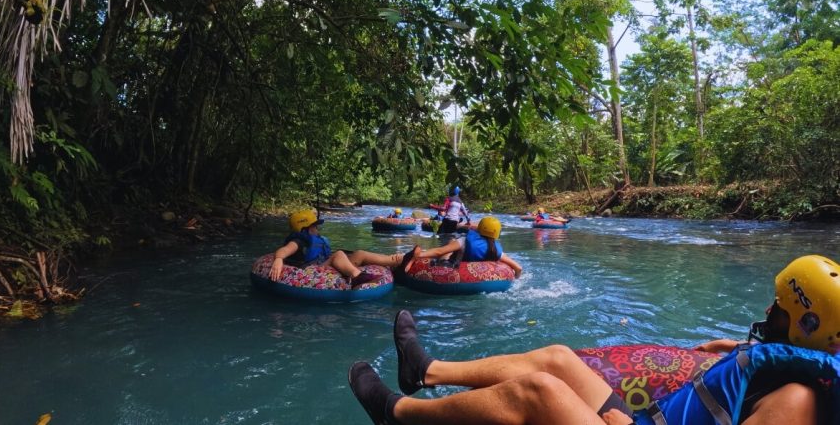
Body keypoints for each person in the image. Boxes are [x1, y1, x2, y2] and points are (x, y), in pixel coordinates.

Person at [349, 254, 840, 425]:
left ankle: (398, 414)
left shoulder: (797, 401)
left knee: (541, 390)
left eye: (780, 308)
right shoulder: (798, 360)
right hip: (648, 421)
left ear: (807, 325)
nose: (767, 311)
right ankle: (426, 372)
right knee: (558, 358)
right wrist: (734, 348)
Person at [268, 209, 416, 288]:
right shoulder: (298, 241)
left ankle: (397, 261)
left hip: (323, 264)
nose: (317, 228)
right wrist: (279, 259)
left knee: (360, 253)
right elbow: (284, 250)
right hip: (313, 270)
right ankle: (357, 277)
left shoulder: (312, 239)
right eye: (315, 226)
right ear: (305, 229)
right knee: (338, 254)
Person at [405, 216, 522, 277]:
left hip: (456, 270)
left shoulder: (465, 240)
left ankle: (422, 255)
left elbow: (439, 251)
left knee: (449, 246)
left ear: (480, 229)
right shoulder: (495, 249)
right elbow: (518, 268)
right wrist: (514, 277)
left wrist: (420, 255)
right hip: (484, 281)